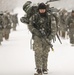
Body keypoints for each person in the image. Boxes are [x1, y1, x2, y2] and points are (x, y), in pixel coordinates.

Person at [27, 3, 57, 74]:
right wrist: (36, 32)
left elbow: (54, 29)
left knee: (45, 53)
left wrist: (50, 37)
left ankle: (45, 68)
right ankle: (38, 69)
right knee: (38, 53)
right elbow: (30, 26)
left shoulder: (50, 17)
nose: (42, 11)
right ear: (38, 10)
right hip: (37, 38)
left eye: (43, 9)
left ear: (45, 9)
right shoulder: (34, 17)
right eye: (41, 9)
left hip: (47, 37)